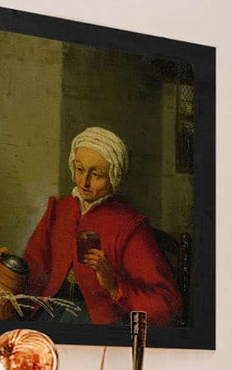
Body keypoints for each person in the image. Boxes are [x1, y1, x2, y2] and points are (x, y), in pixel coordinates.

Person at [21, 126, 182, 326]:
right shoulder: (60, 210)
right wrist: (9, 272)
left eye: (96, 174)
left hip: (97, 319)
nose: (84, 182)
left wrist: (114, 286)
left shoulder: (130, 225)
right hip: (51, 309)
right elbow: (33, 264)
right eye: (80, 169)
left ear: (113, 178)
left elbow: (167, 307)